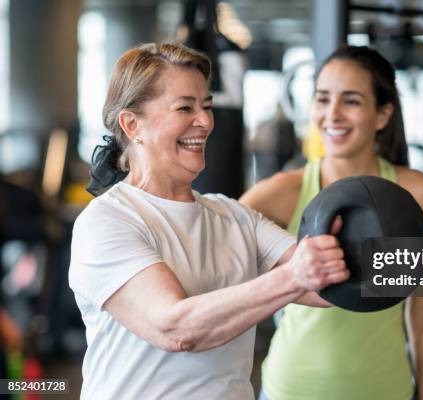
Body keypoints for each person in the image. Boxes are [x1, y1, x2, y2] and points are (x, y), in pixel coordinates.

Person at [68, 42, 348, 400]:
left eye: (207, 106)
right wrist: (293, 276)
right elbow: (176, 328)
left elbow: (322, 286)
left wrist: (416, 261)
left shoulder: (234, 216)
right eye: (185, 107)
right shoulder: (109, 221)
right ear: (132, 124)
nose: (204, 121)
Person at [240, 46, 423, 400]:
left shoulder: (417, 192)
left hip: (384, 389)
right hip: (291, 389)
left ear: (382, 114)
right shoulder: (280, 193)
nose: (331, 115)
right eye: (322, 99)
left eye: (350, 101)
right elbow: (224, 277)